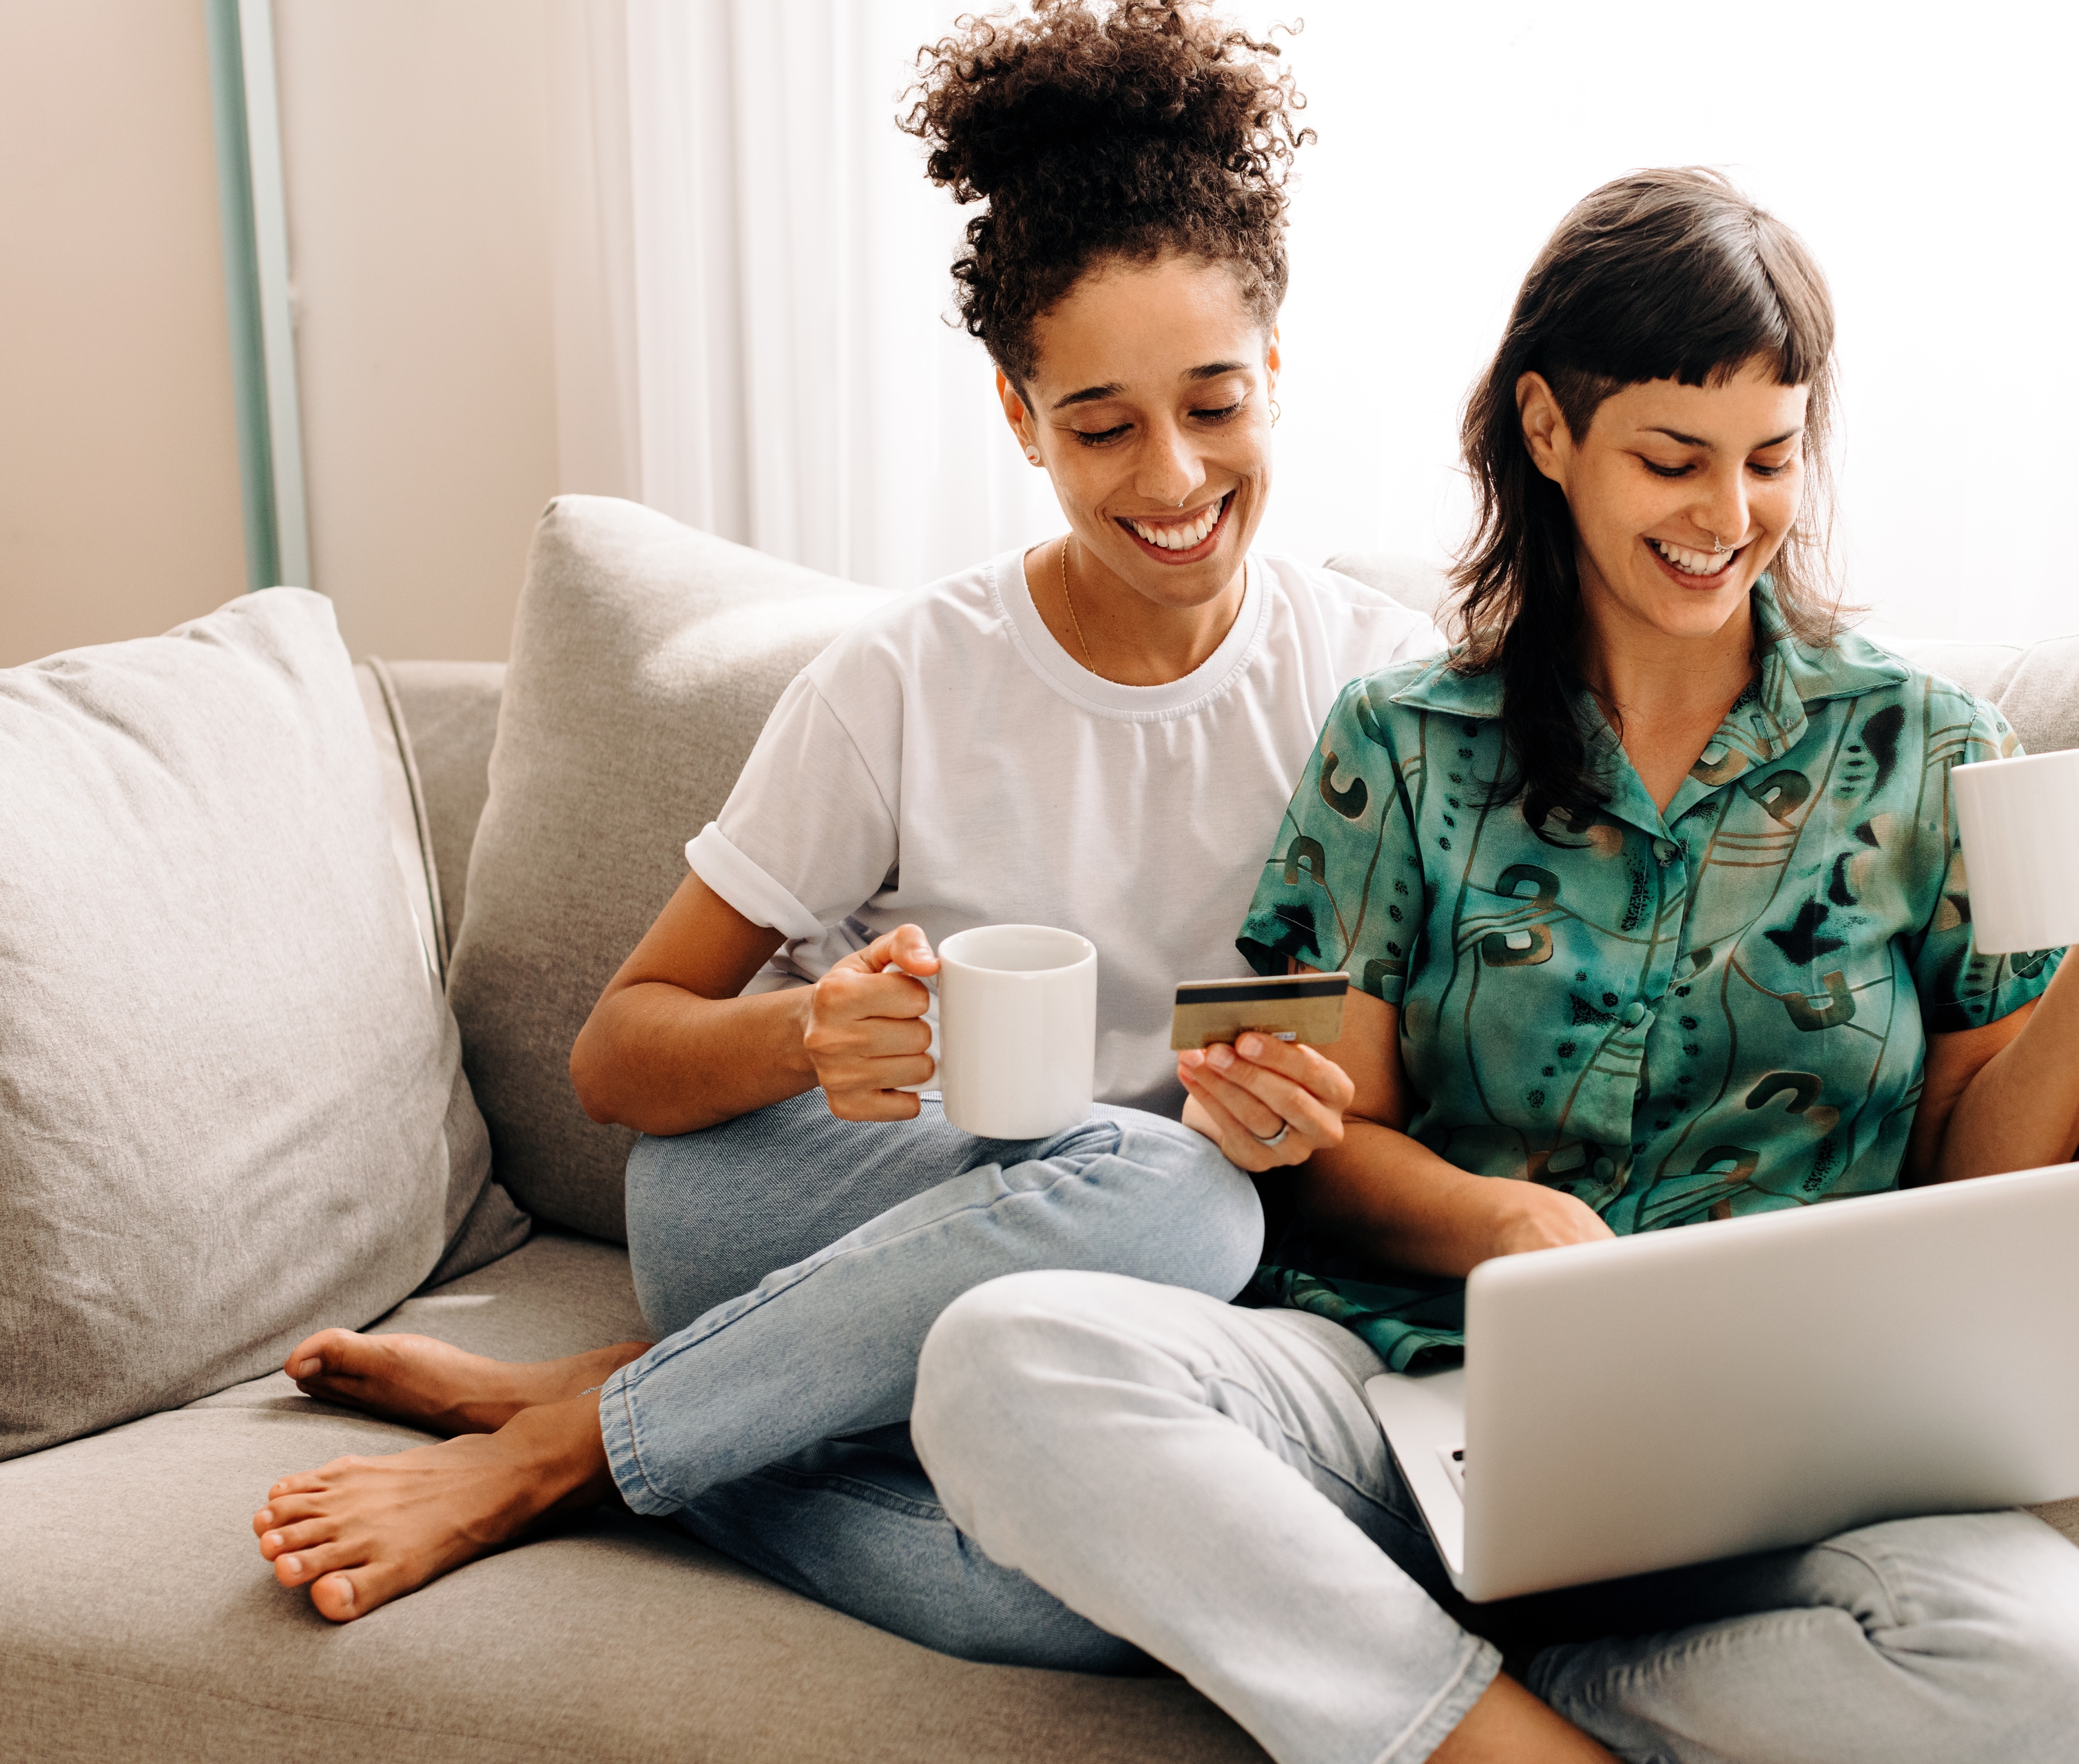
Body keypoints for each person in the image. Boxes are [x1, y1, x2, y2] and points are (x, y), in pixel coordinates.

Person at [904, 169, 2079, 1763]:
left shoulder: (1919, 750)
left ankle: (1479, 1694)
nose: (1727, 516)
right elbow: (1326, 1156)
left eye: (1770, 460)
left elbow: (1984, 1166)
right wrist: (1502, 1224)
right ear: (1549, 432)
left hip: (1777, 1447)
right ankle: (1481, 1734)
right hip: (1413, 1391)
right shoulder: (1404, 744)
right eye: (1673, 460)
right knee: (1005, 1359)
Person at [247, 0, 1434, 1632]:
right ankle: (583, 1445)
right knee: (1177, 1197)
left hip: (1111, 1283)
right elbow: (620, 1056)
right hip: (811, 1194)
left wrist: (1337, 1112)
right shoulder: (906, 679)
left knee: (1102, 1591)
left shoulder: (1385, 684)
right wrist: (809, 1035)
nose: (1171, 476)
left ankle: (674, 1423)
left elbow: (1443, 1056)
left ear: (1278, 375)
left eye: (1216, 404)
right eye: (1100, 423)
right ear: (1021, 418)